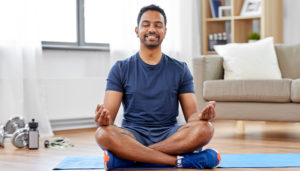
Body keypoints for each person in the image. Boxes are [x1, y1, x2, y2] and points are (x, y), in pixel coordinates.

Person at [94, 4, 220, 170]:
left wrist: (202, 117)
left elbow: (191, 117)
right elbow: (108, 118)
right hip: (133, 135)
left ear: (165, 32)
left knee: (205, 129)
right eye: (146, 25)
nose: (152, 29)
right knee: (103, 133)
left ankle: (131, 157)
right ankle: (180, 161)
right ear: (137, 30)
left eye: (158, 25)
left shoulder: (180, 69)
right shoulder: (120, 68)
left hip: (170, 134)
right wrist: (103, 119)